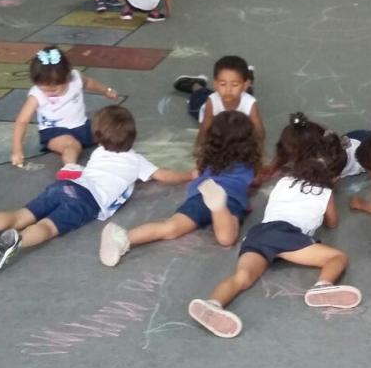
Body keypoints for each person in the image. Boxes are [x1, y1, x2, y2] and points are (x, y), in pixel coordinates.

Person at [0, 106, 195, 275]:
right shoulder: (136, 161)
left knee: (19, 214)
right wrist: (189, 175)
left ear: (99, 137)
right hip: (87, 200)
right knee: (47, 227)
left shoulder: (99, 152)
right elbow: (165, 176)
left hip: (66, 185)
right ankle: (17, 241)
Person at [187, 114, 361, 338]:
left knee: (242, 277)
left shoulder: (284, 182)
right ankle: (322, 286)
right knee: (337, 257)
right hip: (287, 235)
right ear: (332, 176)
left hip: (259, 233)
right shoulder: (325, 192)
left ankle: (213, 303)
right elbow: (332, 223)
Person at [99, 110, 261, 265]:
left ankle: (123, 237)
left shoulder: (209, 160)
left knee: (172, 227)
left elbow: (198, 172)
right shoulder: (249, 165)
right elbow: (254, 181)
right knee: (226, 238)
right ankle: (219, 207)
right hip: (231, 197)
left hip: (202, 192)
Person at [10, 46, 118, 181]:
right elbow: (22, 121)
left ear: (68, 77)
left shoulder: (76, 79)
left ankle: (116, 156)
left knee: (108, 130)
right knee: (72, 145)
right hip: (54, 132)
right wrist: (17, 150)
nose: (50, 92)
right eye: (45, 89)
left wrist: (106, 90)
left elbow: (89, 83)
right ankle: (70, 168)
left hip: (82, 125)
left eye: (55, 89)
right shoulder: (36, 95)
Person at [172, 55, 264, 147]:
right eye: (223, 84)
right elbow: (204, 131)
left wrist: (256, 150)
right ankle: (195, 85)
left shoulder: (250, 103)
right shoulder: (211, 103)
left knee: (247, 93)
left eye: (234, 84)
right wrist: (200, 150)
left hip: (239, 94)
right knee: (198, 99)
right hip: (205, 102)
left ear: (244, 85)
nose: (228, 90)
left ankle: (248, 76)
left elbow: (259, 132)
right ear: (215, 84)